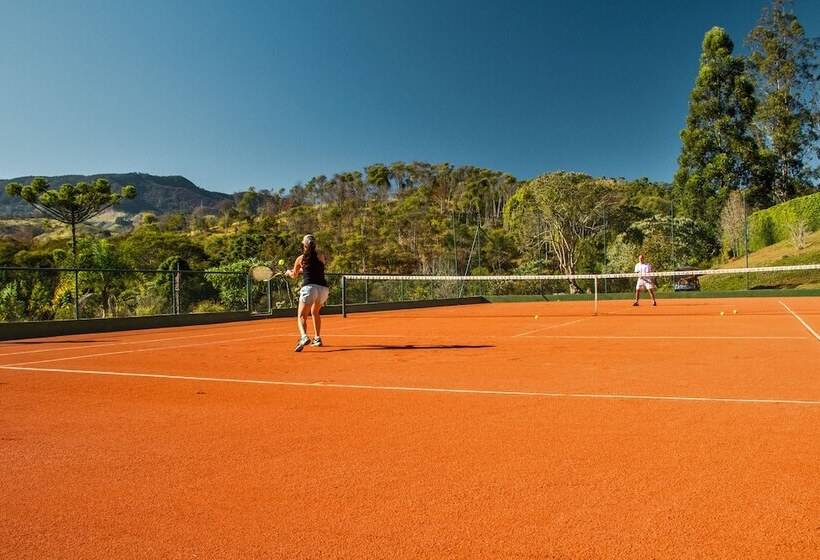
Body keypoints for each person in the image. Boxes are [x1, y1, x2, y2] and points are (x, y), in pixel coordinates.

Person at [285, 234, 329, 351]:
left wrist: (289, 272)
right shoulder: (320, 256)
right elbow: (314, 268)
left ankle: (304, 337)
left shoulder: (300, 259)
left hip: (309, 288)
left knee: (301, 316)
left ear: (303, 245)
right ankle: (317, 338)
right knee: (315, 312)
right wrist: (301, 269)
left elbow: (294, 275)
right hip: (323, 289)